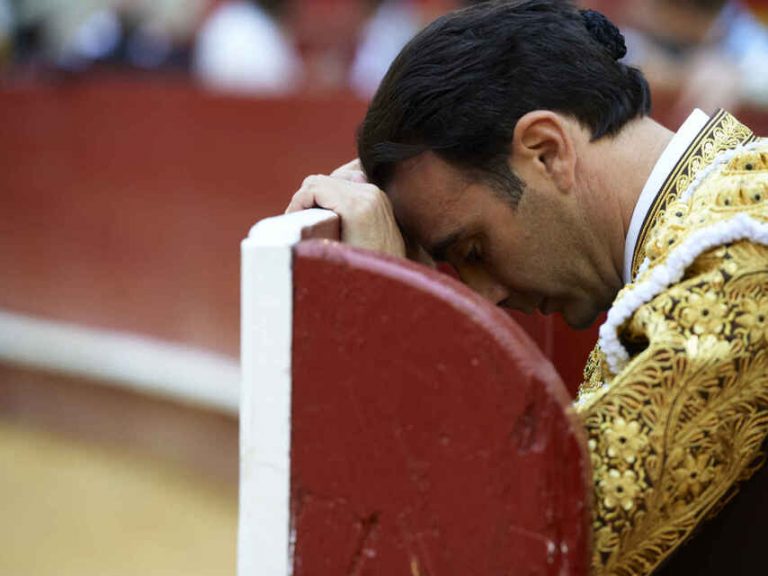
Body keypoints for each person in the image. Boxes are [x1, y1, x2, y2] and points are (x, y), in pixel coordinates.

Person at [285, 1, 768, 573]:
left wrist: (402, 324)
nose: (485, 296)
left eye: (473, 250)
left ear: (546, 150)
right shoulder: (722, 215)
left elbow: (533, 544)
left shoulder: (735, 257)